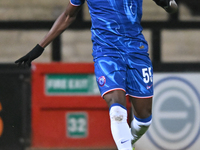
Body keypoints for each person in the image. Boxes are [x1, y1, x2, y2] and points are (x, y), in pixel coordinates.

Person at [15, 0, 178, 149]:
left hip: (137, 52)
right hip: (107, 52)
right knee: (116, 107)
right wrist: (40, 47)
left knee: (144, 118)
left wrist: (166, 4)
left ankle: (127, 142)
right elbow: (68, 15)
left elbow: (172, 8)